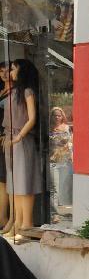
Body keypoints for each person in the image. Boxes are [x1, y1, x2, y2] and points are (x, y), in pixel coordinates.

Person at [2, 59, 41, 241]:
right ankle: (17, 222)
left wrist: (19, 136)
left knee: (24, 182)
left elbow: (32, 118)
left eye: (13, 69)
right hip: (11, 140)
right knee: (14, 184)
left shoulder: (27, 91)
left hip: (22, 140)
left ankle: (27, 224)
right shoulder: (14, 92)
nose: (11, 72)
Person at [48, 106, 73, 212]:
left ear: (62, 116)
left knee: (65, 187)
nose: (57, 117)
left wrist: (72, 156)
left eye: (59, 115)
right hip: (53, 161)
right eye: (55, 115)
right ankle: (55, 213)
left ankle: (66, 208)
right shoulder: (48, 128)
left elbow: (71, 142)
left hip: (66, 161)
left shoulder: (67, 127)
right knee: (54, 188)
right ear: (51, 117)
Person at [0, 62, 11, 231]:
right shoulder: (1, 91)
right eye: (1, 71)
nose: (3, 74)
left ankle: (6, 218)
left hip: (6, 139)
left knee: (5, 179)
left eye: (8, 70)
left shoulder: (17, 91)